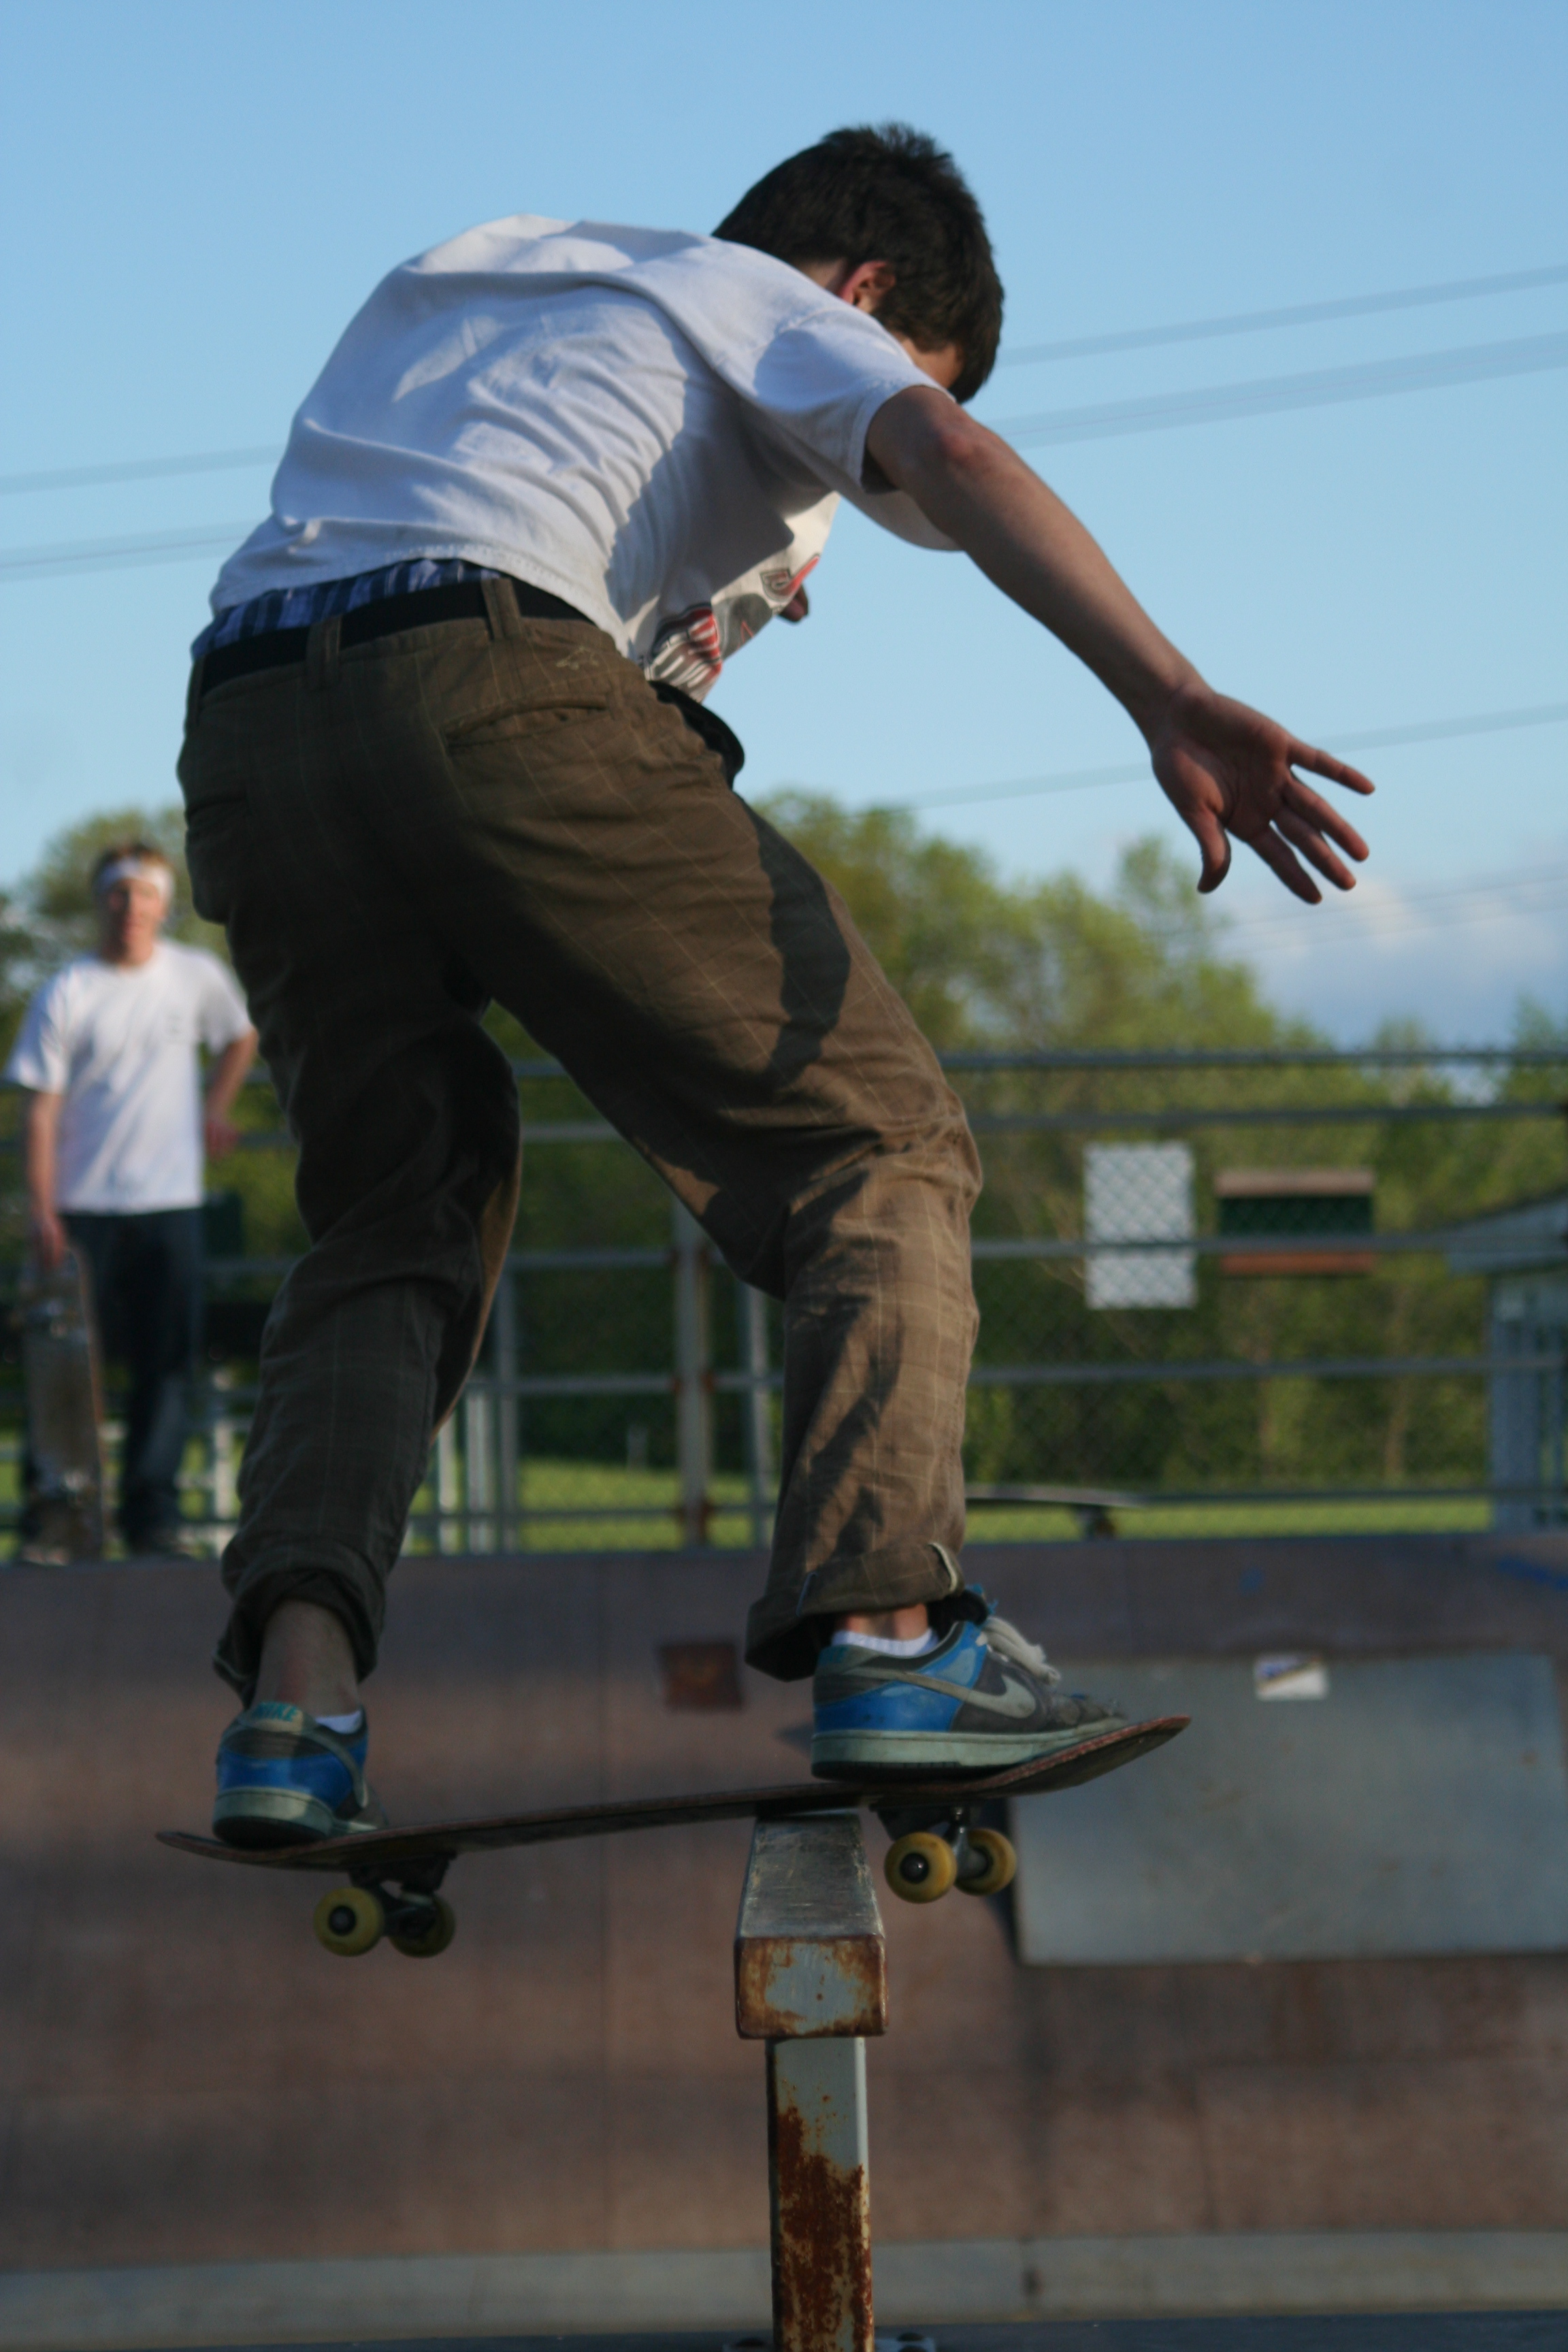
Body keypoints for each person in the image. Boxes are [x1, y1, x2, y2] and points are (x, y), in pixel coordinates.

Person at [178, 125, 1373, 1846]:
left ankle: (297, 1709)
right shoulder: (767, 298)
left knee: (392, 1212)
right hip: (487, 681)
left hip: (253, 718)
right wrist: (1166, 693)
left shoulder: (498, 263)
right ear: (866, 288)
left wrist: (689, 610)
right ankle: (893, 1635)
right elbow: (943, 450)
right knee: (876, 1141)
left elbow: (490, 516)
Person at [7, 843, 257, 1557]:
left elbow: (242, 1036)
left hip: (171, 1205)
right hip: (82, 1211)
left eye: (145, 896)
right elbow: (41, 1109)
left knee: (165, 1365)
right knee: (63, 1371)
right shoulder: (68, 991)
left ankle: (152, 1521)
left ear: (163, 905)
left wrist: (216, 1106)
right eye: (119, 895)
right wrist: (42, 1206)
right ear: (101, 903)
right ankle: (57, 1518)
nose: (132, 909)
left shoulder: (195, 977)